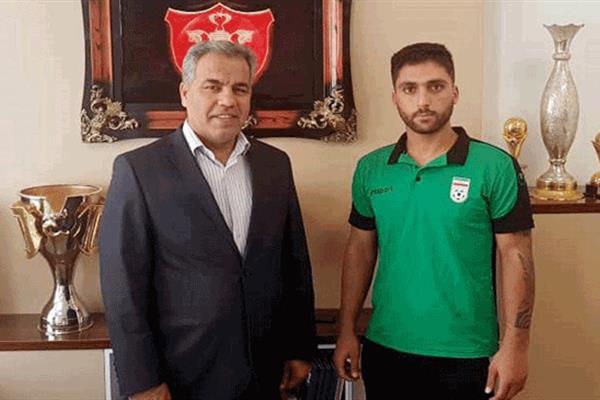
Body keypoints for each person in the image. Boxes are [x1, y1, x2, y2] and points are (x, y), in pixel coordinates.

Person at [99, 40, 317, 400]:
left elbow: (294, 264)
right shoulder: (139, 170)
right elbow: (123, 286)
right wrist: (143, 381)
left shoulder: (275, 165)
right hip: (180, 375)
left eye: (240, 89)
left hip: (265, 370)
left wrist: (299, 347)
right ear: (185, 93)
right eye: (212, 87)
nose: (228, 100)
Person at [333, 43, 535, 400]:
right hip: (386, 347)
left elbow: (516, 257)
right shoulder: (371, 169)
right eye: (409, 89)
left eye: (435, 86)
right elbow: (360, 250)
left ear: (454, 92)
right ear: (395, 97)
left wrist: (515, 346)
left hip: (467, 354)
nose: (423, 101)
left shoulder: (495, 166)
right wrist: (346, 330)